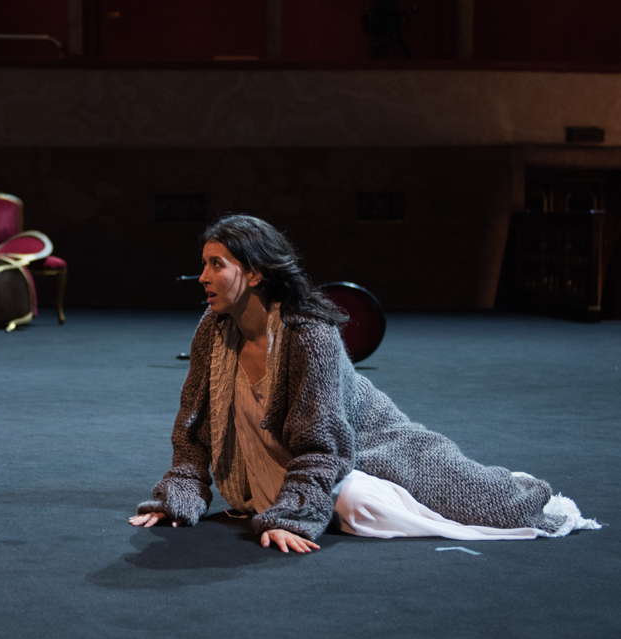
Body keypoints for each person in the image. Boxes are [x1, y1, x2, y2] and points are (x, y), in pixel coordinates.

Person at [130, 215, 600, 553]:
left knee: (374, 508)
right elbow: (191, 429)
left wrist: (293, 516)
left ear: (253, 273)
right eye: (204, 264)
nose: (204, 277)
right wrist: (179, 497)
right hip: (276, 462)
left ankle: (514, 491)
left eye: (217, 264)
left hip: (369, 441)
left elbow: (323, 441)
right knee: (341, 508)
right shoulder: (212, 331)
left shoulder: (307, 332)